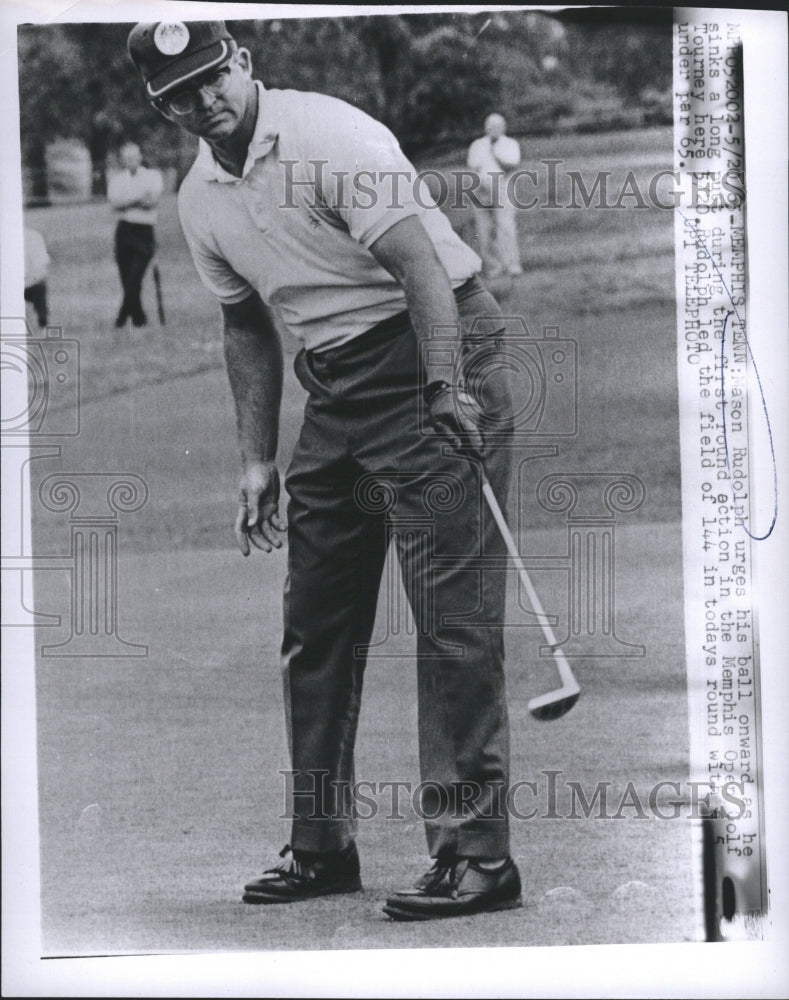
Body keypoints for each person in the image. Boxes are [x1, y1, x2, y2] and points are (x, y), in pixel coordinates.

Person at [128, 19, 520, 921]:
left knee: (450, 619)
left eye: (211, 77)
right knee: (316, 624)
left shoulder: (330, 135)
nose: (203, 101)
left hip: (437, 349)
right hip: (336, 390)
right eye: (178, 94)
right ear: (162, 106)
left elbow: (420, 265)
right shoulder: (200, 199)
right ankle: (321, 844)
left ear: (243, 64)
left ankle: (478, 857)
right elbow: (244, 324)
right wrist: (256, 458)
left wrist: (444, 387)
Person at [107, 141, 163, 327]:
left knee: (135, 277)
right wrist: (139, 198)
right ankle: (139, 318)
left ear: (140, 157)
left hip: (144, 231)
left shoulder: (152, 176)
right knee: (126, 276)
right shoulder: (118, 180)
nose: (131, 161)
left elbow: (152, 202)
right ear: (123, 160)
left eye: (134, 156)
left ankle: (122, 317)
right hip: (124, 230)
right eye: (127, 158)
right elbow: (115, 203)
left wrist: (129, 200)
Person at [466, 113, 524, 277]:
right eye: (490, 126)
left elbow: (511, 165)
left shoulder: (510, 144)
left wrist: (494, 152)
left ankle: (512, 265)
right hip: (481, 187)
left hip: (502, 185)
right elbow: (473, 166)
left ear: (503, 128)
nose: (493, 129)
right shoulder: (477, 144)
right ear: (485, 128)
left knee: (506, 227)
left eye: (497, 126)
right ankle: (493, 267)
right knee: (484, 229)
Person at [24, 225, 50, 328]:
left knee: (40, 287)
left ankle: (42, 323)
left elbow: (42, 270)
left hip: (30, 283)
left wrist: (26, 282)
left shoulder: (33, 236)